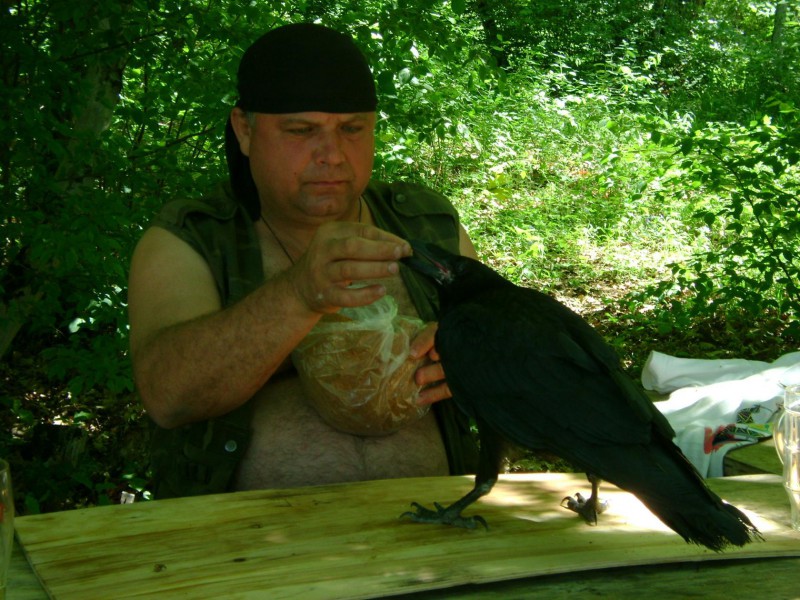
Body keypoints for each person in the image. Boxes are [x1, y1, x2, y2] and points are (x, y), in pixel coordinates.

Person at [128, 23, 479, 499]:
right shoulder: (193, 240)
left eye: (352, 129)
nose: (332, 155)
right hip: (246, 540)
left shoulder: (426, 226)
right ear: (245, 130)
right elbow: (168, 396)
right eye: (301, 130)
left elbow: (520, 368)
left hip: (435, 525)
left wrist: (473, 355)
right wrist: (297, 294)